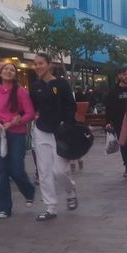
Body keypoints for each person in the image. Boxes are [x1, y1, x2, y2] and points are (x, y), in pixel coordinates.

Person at [0, 62, 37, 219]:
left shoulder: (20, 92)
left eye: (12, 70)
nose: (8, 71)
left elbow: (30, 114)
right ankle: (4, 208)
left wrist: (15, 121)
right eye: (5, 69)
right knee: (0, 172)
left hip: (17, 135)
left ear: (15, 74)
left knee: (16, 170)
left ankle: (29, 190)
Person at [29, 53, 78, 221]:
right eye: (35, 64)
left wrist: (67, 123)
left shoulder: (62, 84)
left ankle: (71, 192)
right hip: (42, 131)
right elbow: (31, 108)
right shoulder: (35, 86)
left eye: (41, 63)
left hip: (60, 133)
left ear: (49, 64)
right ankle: (50, 207)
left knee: (60, 171)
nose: (37, 67)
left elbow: (71, 107)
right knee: (44, 172)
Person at [105, 66, 127, 179]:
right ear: (119, 76)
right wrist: (108, 121)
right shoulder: (114, 91)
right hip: (119, 122)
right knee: (124, 144)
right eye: (124, 74)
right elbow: (109, 107)